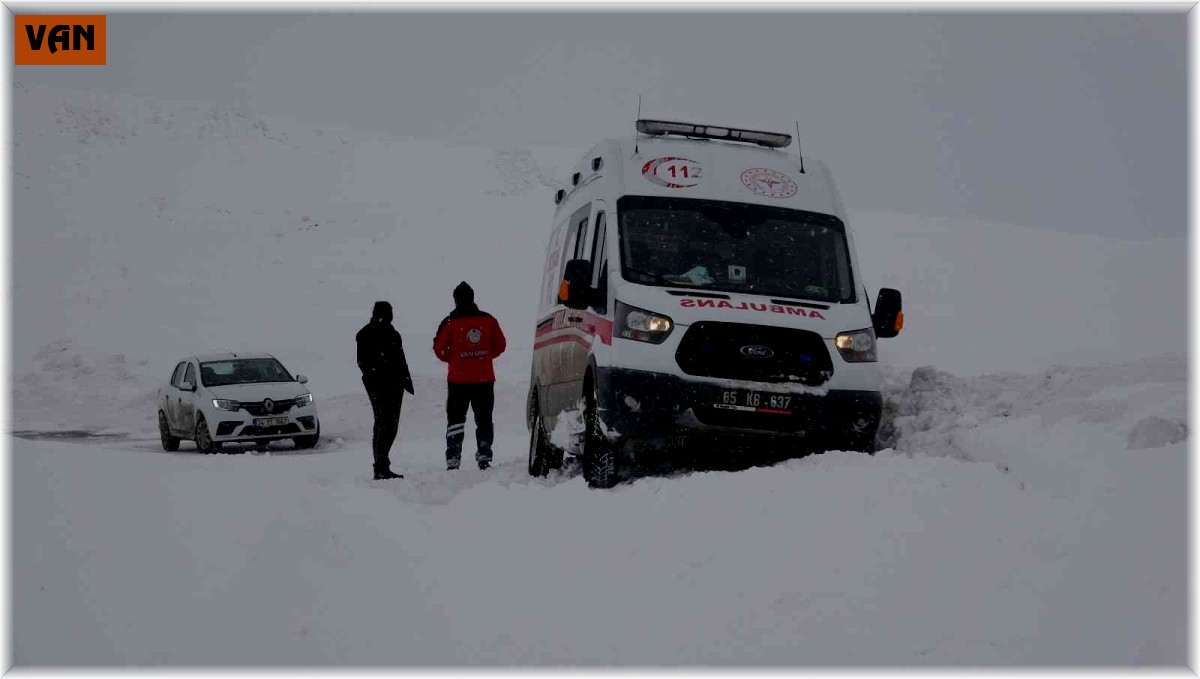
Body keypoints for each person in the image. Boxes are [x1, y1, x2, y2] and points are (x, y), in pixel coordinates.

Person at [433, 282, 507, 470]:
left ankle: (453, 457)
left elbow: (438, 348)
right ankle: (484, 455)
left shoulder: (449, 323)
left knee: (456, 420)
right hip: (484, 380)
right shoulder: (488, 320)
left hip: (458, 381)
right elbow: (500, 345)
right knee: (484, 419)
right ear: (472, 298)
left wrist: (454, 359)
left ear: (455, 300)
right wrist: (484, 357)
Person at [356, 301, 415, 480]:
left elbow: (400, 360)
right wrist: (384, 377)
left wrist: (404, 381)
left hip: (390, 384)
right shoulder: (370, 334)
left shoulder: (388, 334)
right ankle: (381, 466)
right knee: (386, 425)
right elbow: (364, 363)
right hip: (383, 385)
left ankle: (381, 465)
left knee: (384, 424)